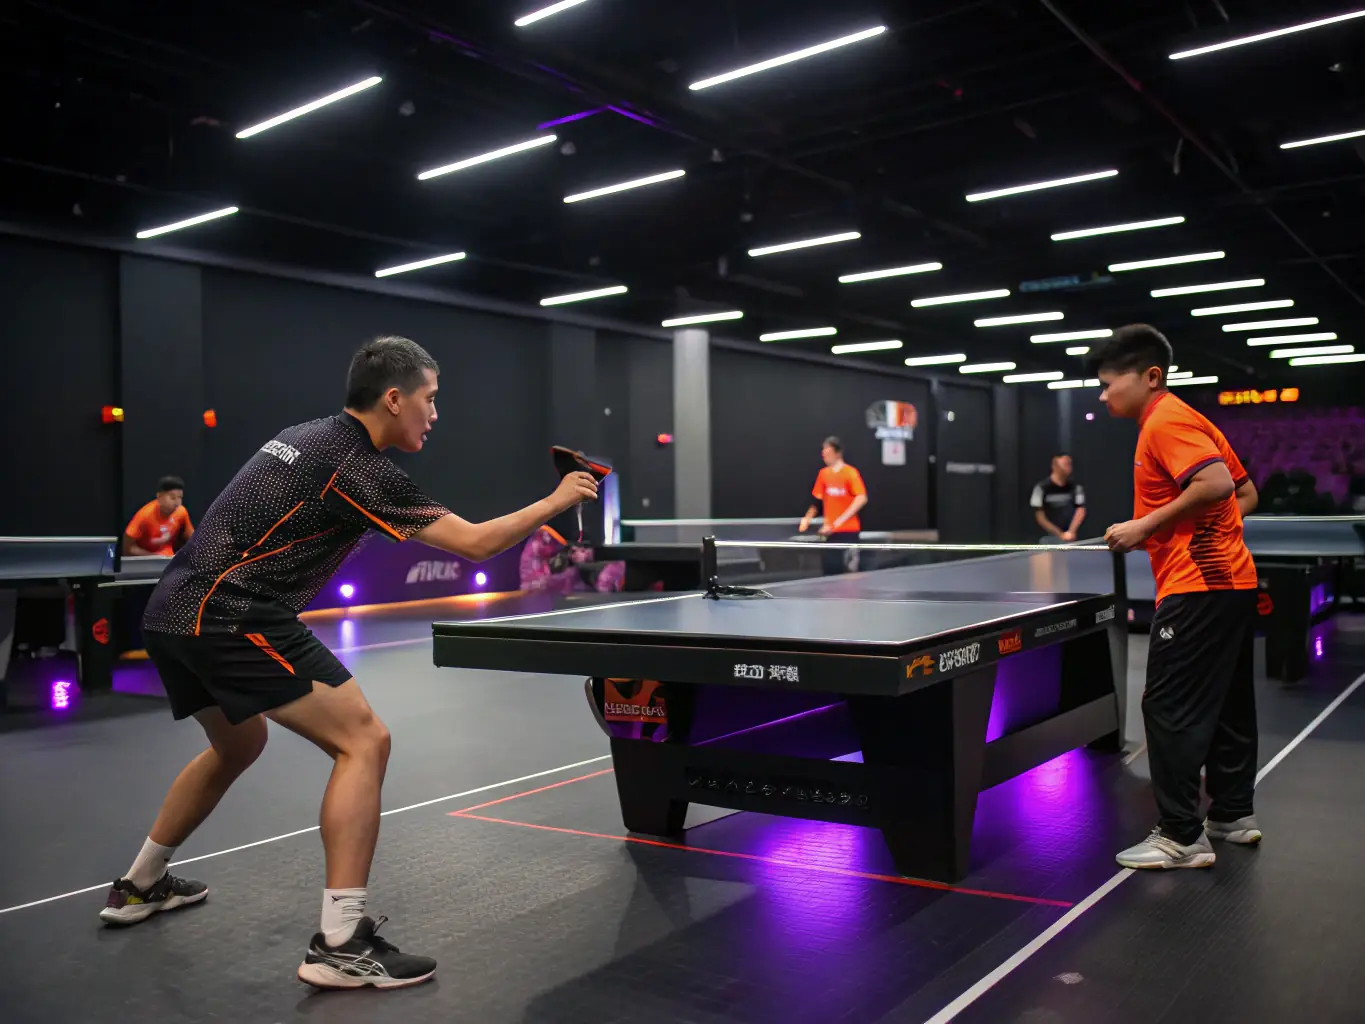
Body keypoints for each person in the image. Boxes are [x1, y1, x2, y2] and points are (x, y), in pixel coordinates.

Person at [97, 336, 599, 991]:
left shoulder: (305, 435)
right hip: (232, 613)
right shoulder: (357, 466)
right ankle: (340, 942)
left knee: (238, 743)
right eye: (430, 399)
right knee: (363, 739)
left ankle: (140, 885)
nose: (435, 413)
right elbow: (476, 544)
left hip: (171, 609)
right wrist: (559, 499)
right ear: (394, 398)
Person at [1092, 324, 1261, 870]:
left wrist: (1147, 527)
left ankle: (1181, 835)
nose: (1103, 395)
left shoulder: (1164, 421)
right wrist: (1205, 532)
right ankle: (1231, 814)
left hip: (1198, 587)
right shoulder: (1190, 418)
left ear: (1150, 376)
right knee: (1229, 704)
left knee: (1167, 706)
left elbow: (1214, 486)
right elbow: (1243, 492)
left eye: (1108, 383)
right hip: (1231, 584)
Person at [798, 436, 868, 575]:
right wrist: (807, 518)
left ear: (837, 452)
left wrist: (837, 523)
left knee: (849, 572)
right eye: (823, 451)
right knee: (830, 572)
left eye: (827, 450)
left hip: (848, 531)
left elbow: (861, 498)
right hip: (829, 533)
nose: (824, 454)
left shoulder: (850, 473)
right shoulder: (823, 474)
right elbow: (817, 501)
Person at [124, 475, 194, 556]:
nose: (177, 503)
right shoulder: (144, 516)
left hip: (169, 560)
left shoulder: (181, 512)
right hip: (146, 562)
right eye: (172, 498)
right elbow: (127, 549)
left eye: (180, 498)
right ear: (159, 497)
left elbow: (193, 539)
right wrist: (154, 558)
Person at [1030, 453, 1086, 542]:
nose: (1068, 468)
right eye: (1065, 464)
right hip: (1047, 539)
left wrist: (1071, 531)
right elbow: (1040, 516)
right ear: (1054, 466)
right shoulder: (1040, 488)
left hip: (1071, 539)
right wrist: (1059, 534)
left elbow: (1080, 510)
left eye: (1069, 464)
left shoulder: (1076, 488)